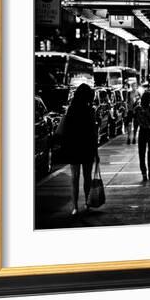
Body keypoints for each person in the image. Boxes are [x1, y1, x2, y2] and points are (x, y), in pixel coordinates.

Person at [61, 83, 99, 215]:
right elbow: (94, 133)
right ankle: (87, 204)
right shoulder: (90, 110)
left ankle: (75, 207)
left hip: (74, 146)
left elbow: (66, 129)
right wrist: (96, 151)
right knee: (87, 177)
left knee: (74, 178)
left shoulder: (71, 109)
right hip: (87, 146)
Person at [134, 90, 150, 181]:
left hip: (142, 132)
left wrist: (134, 132)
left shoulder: (137, 108)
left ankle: (144, 173)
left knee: (141, 153)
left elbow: (135, 122)